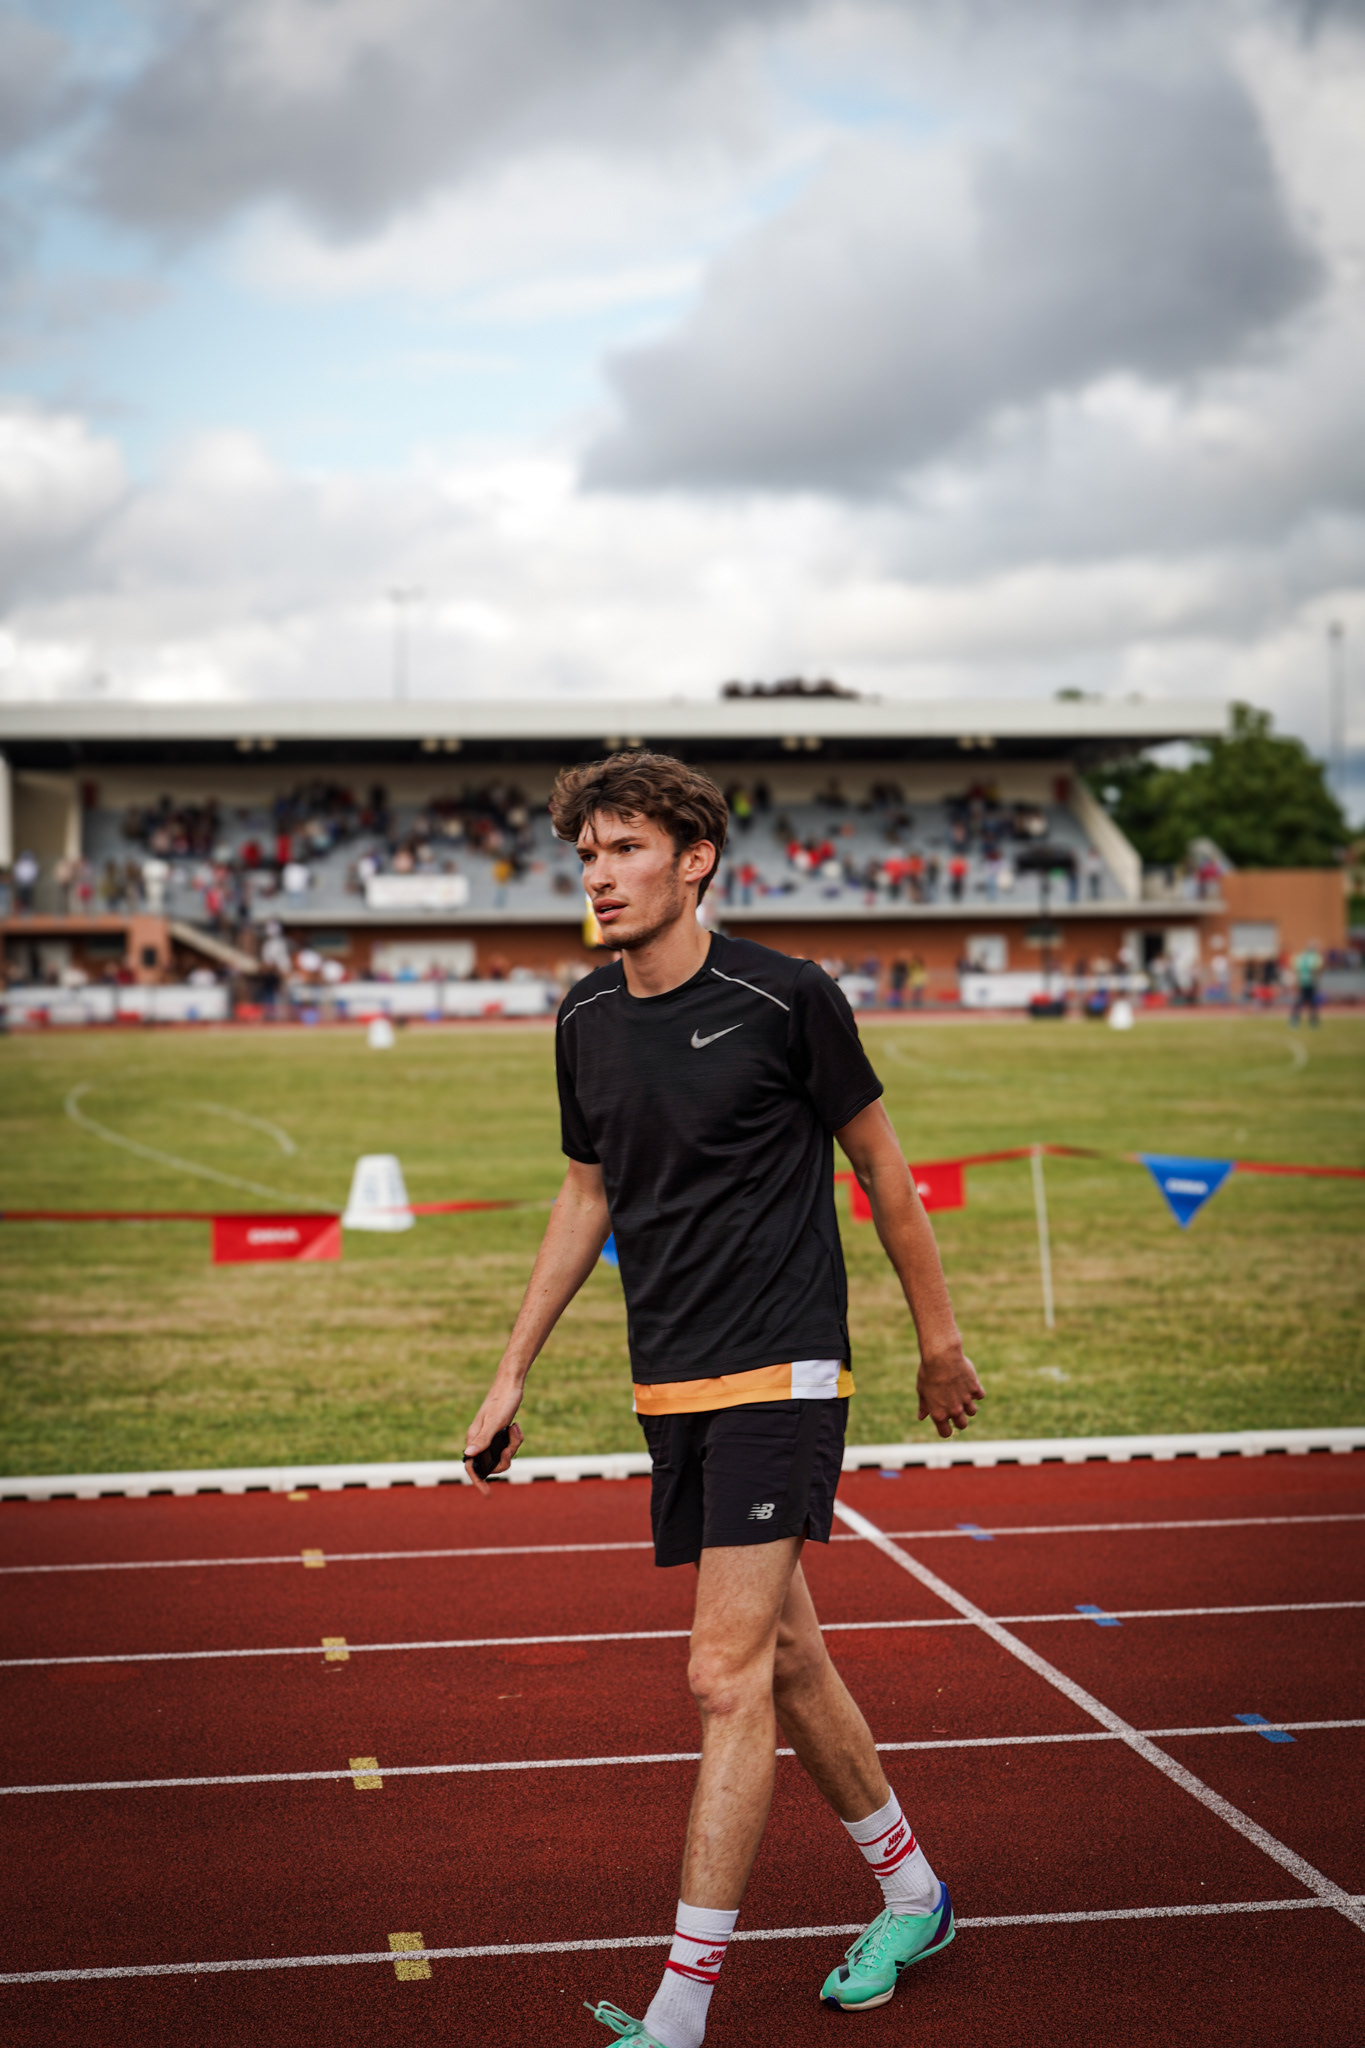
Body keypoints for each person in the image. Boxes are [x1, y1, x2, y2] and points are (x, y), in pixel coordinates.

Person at [463, 751, 983, 2047]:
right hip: (671, 1378)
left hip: (784, 1366)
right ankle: (914, 1892)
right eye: (587, 854)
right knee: (787, 1659)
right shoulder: (585, 1016)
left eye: (626, 848)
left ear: (694, 861)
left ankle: (679, 2011)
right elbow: (586, 1191)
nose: (599, 875)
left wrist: (938, 1339)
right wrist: (513, 1368)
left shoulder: (786, 996)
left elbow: (884, 1170)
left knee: (721, 1674)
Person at [1290, 941, 1323, 1027]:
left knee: (1302, 1001)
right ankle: (1313, 1021)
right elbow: (1316, 969)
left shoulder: (1301, 956)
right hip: (1310, 981)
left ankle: (1295, 1019)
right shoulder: (1315, 957)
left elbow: (1296, 970)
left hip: (1302, 981)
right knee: (1310, 1002)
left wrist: (1296, 982)